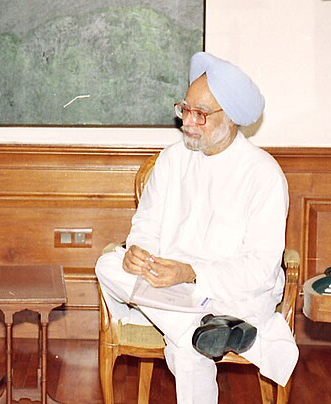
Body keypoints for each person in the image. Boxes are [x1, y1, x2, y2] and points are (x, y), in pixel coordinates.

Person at [95, 52, 299, 403]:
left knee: (185, 351)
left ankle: (201, 331)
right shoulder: (173, 159)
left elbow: (261, 269)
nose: (187, 121)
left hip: (230, 295)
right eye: (185, 109)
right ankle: (205, 332)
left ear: (231, 118)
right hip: (171, 292)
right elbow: (147, 222)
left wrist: (190, 272)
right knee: (108, 264)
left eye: (200, 114)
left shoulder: (264, 175)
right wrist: (138, 252)